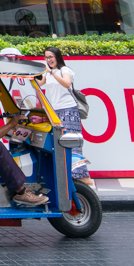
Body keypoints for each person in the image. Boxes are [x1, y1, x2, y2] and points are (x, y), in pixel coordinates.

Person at [39, 46, 90, 185]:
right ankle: (70, 176)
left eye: (51, 57)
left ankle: (81, 177)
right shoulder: (48, 73)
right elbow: (38, 83)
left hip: (68, 109)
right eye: (46, 57)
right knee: (61, 143)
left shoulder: (64, 70)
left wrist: (52, 72)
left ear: (57, 57)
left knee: (73, 142)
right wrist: (40, 71)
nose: (48, 60)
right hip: (55, 111)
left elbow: (67, 83)